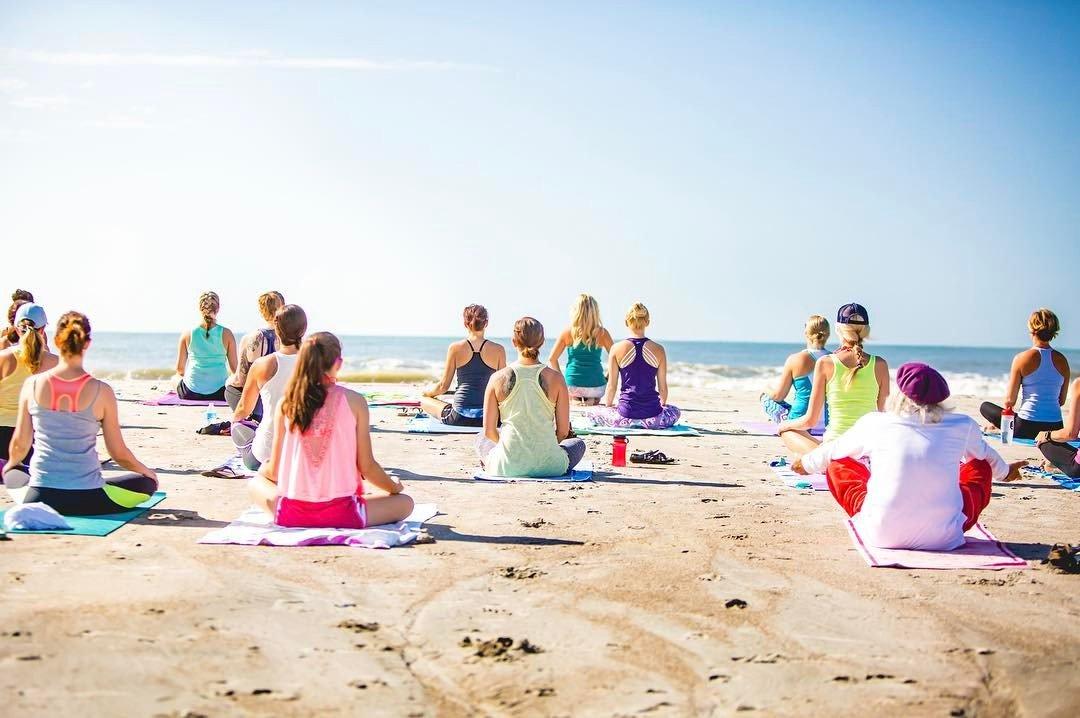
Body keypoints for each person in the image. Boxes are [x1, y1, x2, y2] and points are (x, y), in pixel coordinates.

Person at [793, 363, 1023, 550]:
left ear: (900, 393)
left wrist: (805, 464)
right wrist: (1006, 472)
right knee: (979, 464)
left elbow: (835, 449)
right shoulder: (963, 424)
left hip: (882, 535)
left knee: (839, 463)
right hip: (945, 538)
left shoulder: (875, 422)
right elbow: (988, 458)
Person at [248, 332, 413, 528]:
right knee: (405, 503)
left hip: (291, 515)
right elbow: (367, 467)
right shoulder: (355, 401)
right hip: (344, 515)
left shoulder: (286, 403)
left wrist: (263, 469)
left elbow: (274, 471)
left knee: (255, 483)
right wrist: (393, 486)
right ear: (338, 363)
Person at [2, 312, 159, 514]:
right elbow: (119, 454)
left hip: (40, 498)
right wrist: (147, 473)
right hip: (89, 498)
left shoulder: (32, 385)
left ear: (57, 341)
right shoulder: (102, 391)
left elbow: (20, 444)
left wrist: (11, 466)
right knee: (146, 483)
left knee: (13, 472)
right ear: (88, 343)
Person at [476, 317, 587, 477]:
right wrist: (544, 449)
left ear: (514, 341)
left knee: (480, 438)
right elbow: (563, 432)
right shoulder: (556, 378)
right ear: (541, 342)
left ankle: (491, 462)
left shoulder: (497, 378)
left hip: (506, 466)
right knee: (578, 444)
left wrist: (511, 450)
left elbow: (488, 431)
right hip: (551, 467)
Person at [778, 303, 889, 454]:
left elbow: (810, 420)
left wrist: (784, 425)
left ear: (837, 329)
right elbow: (884, 417)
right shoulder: (881, 364)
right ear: (866, 331)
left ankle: (823, 461)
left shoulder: (825, 363)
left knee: (788, 431)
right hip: (866, 450)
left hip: (835, 451)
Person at [231, 304, 307, 471]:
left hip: (266, 457)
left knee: (237, 426)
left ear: (276, 329)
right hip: (304, 455)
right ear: (304, 329)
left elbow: (243, 408)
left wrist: (233, 421)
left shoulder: (263, 364)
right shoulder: (316, 363)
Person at [586, 303, 680, 429]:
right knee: (675, 410)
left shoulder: (616, 349)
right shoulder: (659, 349)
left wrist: (609, 408)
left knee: (592, 412)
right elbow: (663, 387)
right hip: (653, 415)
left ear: (626, 322)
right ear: (647, 322)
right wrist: (662, 406)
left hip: (626, 415)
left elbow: (612, 386)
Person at [980, 308, 1069, 441]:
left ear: (1032, 330)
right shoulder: (1063, 361)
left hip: (1026, 428)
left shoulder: (1021, 358)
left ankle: (997, 428)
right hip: (1055, 428)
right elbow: (1061, 401)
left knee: (985, 407)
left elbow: (1009, 401)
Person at [421, 304, 506, 427]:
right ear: (486, 323)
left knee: (424, 400)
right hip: (489, 419)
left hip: (458, 417)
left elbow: (443, 386)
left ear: (465, 324)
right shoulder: (498, 350)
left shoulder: (455, 348)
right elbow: (502, 389)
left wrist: (427, 393)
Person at [0, 303, 59, 462]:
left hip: (2, 438)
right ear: (43, 329)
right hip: (35, 440)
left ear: (17, 328)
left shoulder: (3, 358)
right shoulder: (55, 363)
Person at [225, 290, 285, 421]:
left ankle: (247, 418)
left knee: (230, 387)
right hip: (281, 404)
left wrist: (229, 380)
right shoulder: (291, 338)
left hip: (258, 407)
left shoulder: (250, 338)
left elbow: (242, 380)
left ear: (261, 311)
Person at [761, 314, 831, 424]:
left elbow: (778, 396)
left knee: (766, 398)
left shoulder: (795, 359)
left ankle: (784, 419)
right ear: (828, 335)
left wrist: (765, 388)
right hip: (829, 424)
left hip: (800, 423)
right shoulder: (835, 359)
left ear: (806, 334)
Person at [547, 294, 614, 405]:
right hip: (597, 387)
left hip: (572, 386)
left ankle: (577, 400)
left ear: (575, 312)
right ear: (595, 312)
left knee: (573, 397)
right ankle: (592, 400)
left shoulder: (567, 332)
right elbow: (617, 359)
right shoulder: (602, 333)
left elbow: (552, 359)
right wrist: (607, 378)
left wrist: (563, 381)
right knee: (595, 395)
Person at [174, 291, 238, 401]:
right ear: (218, 309)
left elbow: (180, 369)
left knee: (175, 378)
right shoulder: (227, 334)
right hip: (220, 392)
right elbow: (235, 369)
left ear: (200, 308)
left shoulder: (187, 334)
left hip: (190, 392)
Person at [1035, 377, 1080, 478]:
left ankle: (1055, 464)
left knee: (1042, 441)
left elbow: (1071, 434)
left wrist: (1046, 435)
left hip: (1078, 469)